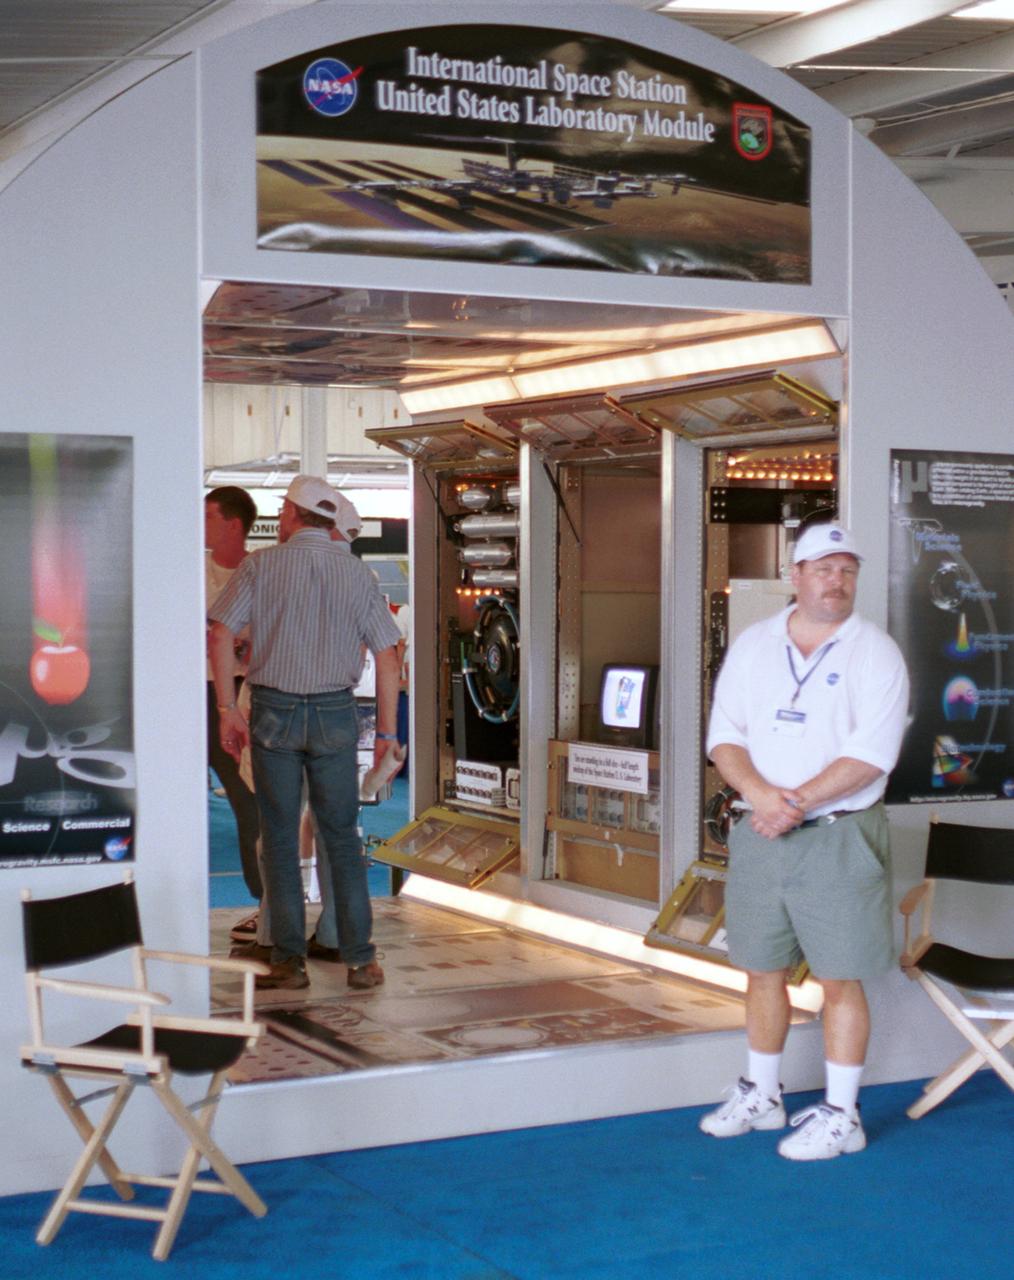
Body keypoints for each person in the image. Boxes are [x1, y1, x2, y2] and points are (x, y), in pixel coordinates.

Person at [701, 522, 909, 1161]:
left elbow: (872, 755)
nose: (837, 580)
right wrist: (765, 800)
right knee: (761, 969)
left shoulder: (875, 651)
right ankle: (763, 1094)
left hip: (839, 835)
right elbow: (724, 734)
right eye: (823, 568)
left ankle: (843, 1115)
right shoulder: (755, 643)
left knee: (841, 977)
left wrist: (792, 804)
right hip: (762, 833)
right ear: (795, 575)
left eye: (847, 569)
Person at [208, 474, 402, 992]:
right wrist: (386, 731)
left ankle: (288, 962)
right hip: (337, 714)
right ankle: (361, 959)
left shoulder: (261, 566)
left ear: (291, 516)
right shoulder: (358, 575)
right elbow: (388, 653)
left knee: (278, 834)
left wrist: (228, 708)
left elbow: (221, 631)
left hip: (272, 710)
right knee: (340, 835)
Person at [204, 486, 263, 915]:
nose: (200, 525)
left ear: (234, 525)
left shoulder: (260, 572)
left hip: (241, 699)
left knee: (248, 801)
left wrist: (241, 648)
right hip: (187, 698)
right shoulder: (188, 572)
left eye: (208, 517)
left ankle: (267, 904)